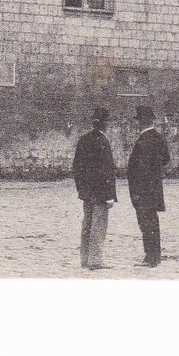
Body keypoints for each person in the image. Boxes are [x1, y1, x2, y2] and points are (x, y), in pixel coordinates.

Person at [71, 106, 117, 270]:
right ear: (106, 124)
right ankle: (95, 260)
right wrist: (111, 195)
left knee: (87, 225)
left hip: (87, 192)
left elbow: (76, 166)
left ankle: (85, 259)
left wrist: (81, 189)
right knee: (98, 226)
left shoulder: (84, 139)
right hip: (101, 193)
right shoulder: (103, 142)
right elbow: (107, 171)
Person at [126, 104, 171, 267]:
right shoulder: (159, 138)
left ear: (142, 122)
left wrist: (137, 191)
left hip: (143, 190)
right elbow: (166, 159)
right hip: (154, 189)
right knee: (153, 222)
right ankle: (154, 255)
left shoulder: (143, 141)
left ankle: (151, 257)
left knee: (146, 224)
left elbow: (139, 169)